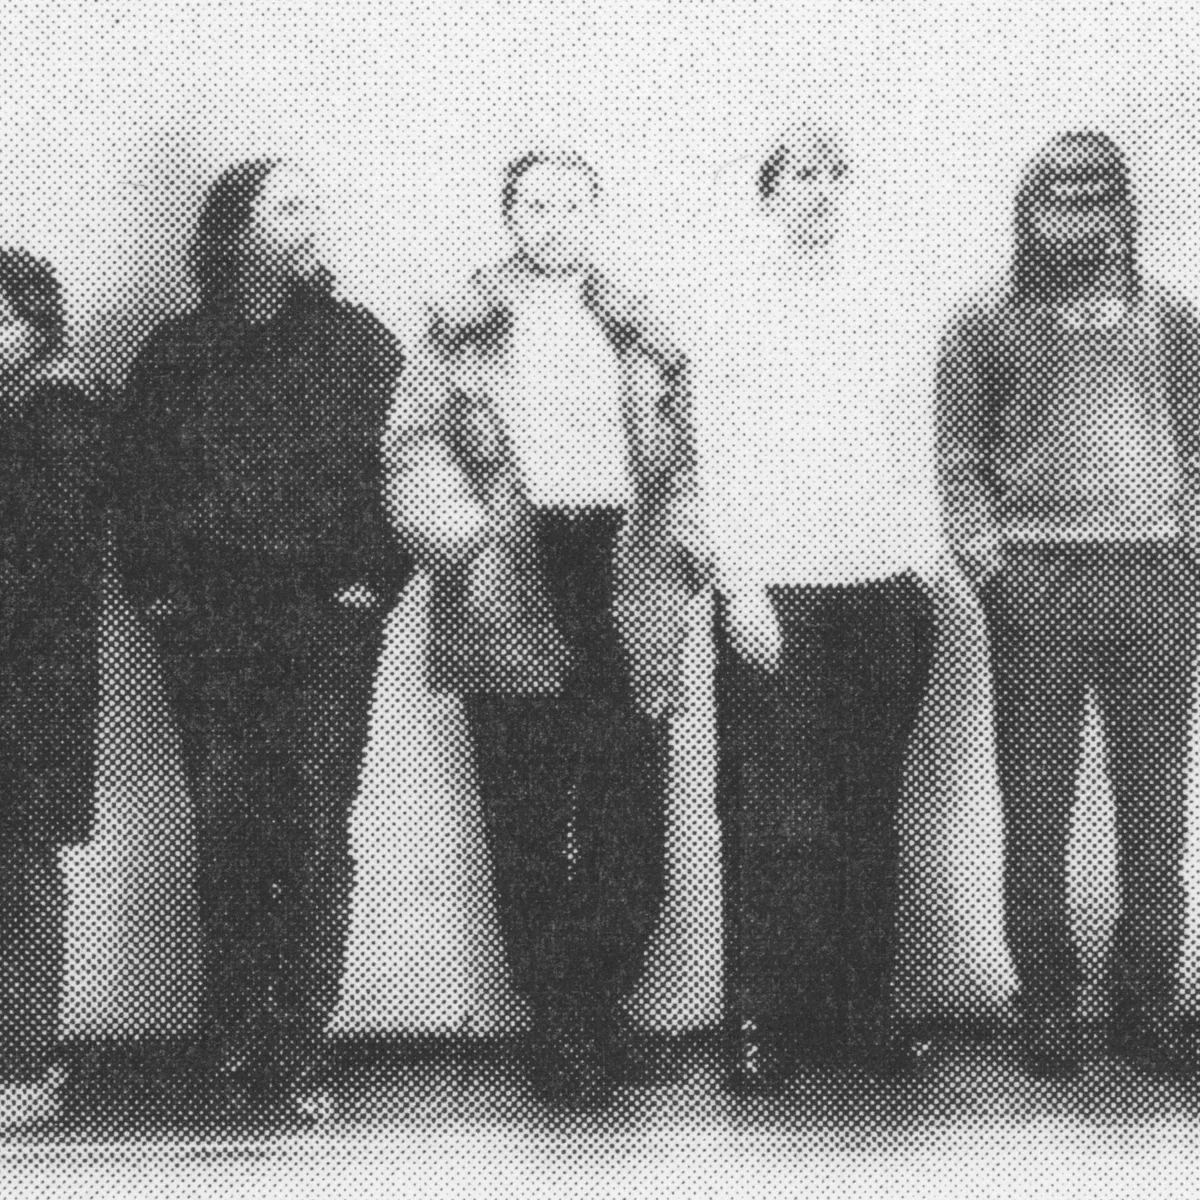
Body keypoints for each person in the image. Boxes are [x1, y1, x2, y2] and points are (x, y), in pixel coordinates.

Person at [384, 151, 697, 1104]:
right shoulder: (461, 326)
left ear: (595, 214)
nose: (551, 220)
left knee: (630, 814)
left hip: (623, 575)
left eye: (569, 205)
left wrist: (686, 547)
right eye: (533, 205)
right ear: (508, 215)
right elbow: (412, 452)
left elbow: (687, 451)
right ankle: (560, 1023)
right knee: (526, 815)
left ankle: (600, 1003)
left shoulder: (639, 325)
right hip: (512, 576)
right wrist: (468, 550)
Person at [111, 159, 410, 1123]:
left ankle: (300, 1047)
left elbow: (407, 465)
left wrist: (371, 586)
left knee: (313, 824)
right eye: (287, 204)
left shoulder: (358, 341)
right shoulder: (175, 352)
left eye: (313, 201)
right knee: (228, 825)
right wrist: (163, 600)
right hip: (211, 626)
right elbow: (138, 485)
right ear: (234, 230)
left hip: (324, 622)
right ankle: (235, 1034)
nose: (308, 217)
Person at [682, 126, 947, 1089]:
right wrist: (738, 585)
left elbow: (916, 439)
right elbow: (707, 459)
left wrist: (919, 563)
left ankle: (861, 1017)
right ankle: (759, 1024)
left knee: (865, 814)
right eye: (802, 174)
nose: (821, 191)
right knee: (770, 820)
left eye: (837, 174)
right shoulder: (729, 307)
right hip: (774, 596)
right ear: (769, 193)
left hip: (879, 590)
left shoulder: (886, 301)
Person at [938, 131, 1200, 1076]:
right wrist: (991, 568)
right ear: (1029, 211)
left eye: (1098, 200)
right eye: (1058, 201)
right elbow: (960, 458)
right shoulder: (985, 320)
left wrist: (1189, 554)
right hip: (1038, 580)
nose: (1078, 221)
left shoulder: (1172, 318)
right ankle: (1045, 1004)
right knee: (1037, 806)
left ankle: (1146, 1003)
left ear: (1124, 210)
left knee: (1156, 809)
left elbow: (1198, 449)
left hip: (1154, 578)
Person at [0, 250, 106, 1129]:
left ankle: (23, 1067)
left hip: (29, 679)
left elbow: (43, 557)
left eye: (2, 318)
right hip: (27, 673)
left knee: (19, 865)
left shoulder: (56, 407)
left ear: (36, 324)